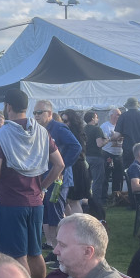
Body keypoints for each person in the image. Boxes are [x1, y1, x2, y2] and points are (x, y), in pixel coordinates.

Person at [0, 88, 64, 278]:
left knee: (17, 256)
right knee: (35, 253)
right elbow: (59, 164)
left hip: (11, 203)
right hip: (35, 202)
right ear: (27, 107)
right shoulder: (42, 131)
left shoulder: (1, 134)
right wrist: (43, 187)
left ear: (8, 107)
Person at [32, 100, 81, 250]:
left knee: (56, 215)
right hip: (47, 176)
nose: (36, 116)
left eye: (39, 112)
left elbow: (76, 147)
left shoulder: (58, 128)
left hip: (59, 179)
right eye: (34, 113)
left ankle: (63, 248)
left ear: (49, 113)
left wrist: (62, 166)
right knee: (48, 215)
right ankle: (54, 246)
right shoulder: (40, 129)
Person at [114, 99, 140, 168]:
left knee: (128, 169)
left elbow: (117, 135)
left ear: (128, 106)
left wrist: (110, 139)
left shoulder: (123, 116)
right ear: (137, 106)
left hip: (128, 148)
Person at [100, 107, 125, 202]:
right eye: (117, 114)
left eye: (120, 114)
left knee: (118, 176)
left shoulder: (121, 126)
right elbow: (105, 139)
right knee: (105, 175)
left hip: (119, 153)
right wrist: (113, 137)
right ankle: (104, 197)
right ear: (111, 115)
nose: (119, 116)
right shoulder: (105, 126)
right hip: (108, 153)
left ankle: (117, 197)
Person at [83, 111, 106, 202]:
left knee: (87, 181)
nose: (98, 119)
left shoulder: (83, 129)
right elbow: (99, 144)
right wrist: (107, 140)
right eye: (96, 117)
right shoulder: (97, 129)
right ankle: (96, 203)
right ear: (92, 119)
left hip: (85, 157)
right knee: (97, 181)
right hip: (96, 157)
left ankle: (86, 200)